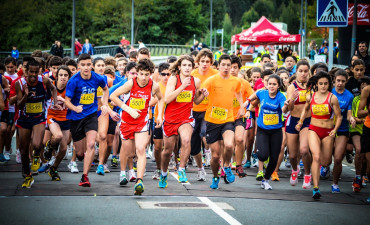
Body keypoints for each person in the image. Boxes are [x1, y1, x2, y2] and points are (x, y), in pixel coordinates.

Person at [110, 59, 164, 195]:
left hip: (142, 122)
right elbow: (113, 96)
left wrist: (160, 115)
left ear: (151, 74)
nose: (144, 77)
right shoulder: (131, 83)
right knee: (130, 153)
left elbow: (161, 98)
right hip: (127, 122)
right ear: (137, 73)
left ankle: (139, 181)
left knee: (141, 149)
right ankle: (124, 172)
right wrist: (128, 109)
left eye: (147, 74)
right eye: (141, 74)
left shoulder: (154, 86)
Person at [159, 55, 207, 188]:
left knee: (186, 140)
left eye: (189, 65)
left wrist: (203, 95)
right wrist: (182, 87)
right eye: (184, 65)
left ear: (192, 68)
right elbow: (167, 99)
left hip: (186, 118)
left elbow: (196, 101)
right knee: (167, 151)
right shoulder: (173, 79)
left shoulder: (196, 81)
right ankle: (163, 174)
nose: (187, 68)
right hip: (170, 119)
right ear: (179, 67)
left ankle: (181, 170)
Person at [64, 53, 109, 187]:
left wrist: (105, 104)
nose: (86, 67)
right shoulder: (73, 81)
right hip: (76, 117)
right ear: (78, 66)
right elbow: (67, 101)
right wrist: (75, 108)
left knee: (90, 145)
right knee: (79, 154)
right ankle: (81, 157)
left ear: (92, 66)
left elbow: (106, 89)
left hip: (91, 115)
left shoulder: (97, 78)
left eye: (88, 65)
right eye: (83, 65)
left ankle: (85, 177)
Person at [296, 71, 342, 200]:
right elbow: (305, 109)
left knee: (326, 161)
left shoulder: (332, 98)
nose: (323, 86)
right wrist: (300, 122)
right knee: (315, 156)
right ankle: (316, 188)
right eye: (320, 83)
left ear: (329, 84)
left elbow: (339, 117)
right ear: (316, 84)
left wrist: (335, 129)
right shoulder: (311, 96)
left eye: (325, 84)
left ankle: (324, 168)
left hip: (328, 131)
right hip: (313, 129)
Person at [202, 54, 244, 189]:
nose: (226, 68)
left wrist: (242, 107)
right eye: (223, 65)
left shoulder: (235, 81)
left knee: (229, 145)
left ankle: (226, 166)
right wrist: (203, 92)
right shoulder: (211, 80)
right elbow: (202, 91)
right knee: (214, 156)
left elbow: (238, 93)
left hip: (228, 119)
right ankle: (215, 176)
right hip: (212, 121)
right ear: (218, 66)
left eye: (228, 65)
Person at [15, 59, 59, 188]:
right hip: (24, 119)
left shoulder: (44, 81)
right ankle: (28, 176)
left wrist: (55, 103)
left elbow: (54, 89)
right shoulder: (20, 84)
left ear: (39, 71)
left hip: (39, 117)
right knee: (23, 150)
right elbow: (19, 104)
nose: (33, 75)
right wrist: (26, 96)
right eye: (31, 72)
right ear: (26, 71)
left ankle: (36, 155)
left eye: (36, 72)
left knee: (36, 144)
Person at [245, 75, 288, 190]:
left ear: (278, 85)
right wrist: (247, 103)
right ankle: (259, 156)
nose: (272, 86)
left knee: (274, 158)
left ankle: (266, 179)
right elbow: (254, 95)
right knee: (263, 155)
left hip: (276, 131)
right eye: (270, 84)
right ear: (266, 84)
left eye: (274, 84)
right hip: (262, 130)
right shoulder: (262, 93)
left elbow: (284, 109)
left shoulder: (281, 97)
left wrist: (287, 106)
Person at [326, 69, 355, 193]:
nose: (340, 83)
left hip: (342, 129)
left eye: (343, 81)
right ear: (334, 80)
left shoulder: (349, 96)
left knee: (338, 158)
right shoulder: (329, 92)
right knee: (327, 158)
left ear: (346, 81)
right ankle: (325, 165)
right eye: (338, 81)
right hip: (327, 128)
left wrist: (352, 118)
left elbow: (348, 114)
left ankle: (335, 184)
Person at [190, 49, 218, 176]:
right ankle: (201, 169)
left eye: (208, 61)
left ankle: (208, 152)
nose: (205, 64)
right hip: (195, 110)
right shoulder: (192, 74)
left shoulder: (216, 74)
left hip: (210, 110)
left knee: (204, 132)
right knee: (194, 144)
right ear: (198, 62)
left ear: (211, 62)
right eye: (202, 61)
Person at [43, 66, 73, 181]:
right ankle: (50, 147)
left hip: (66, 119)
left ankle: (54, 168)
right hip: (53, 117)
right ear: (56, 76)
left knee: (64, 149)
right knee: (58, 136)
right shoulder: (51, 85)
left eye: (66, 75)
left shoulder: (71, 88)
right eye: (61, 75)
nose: (63, 78)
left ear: (69, 77)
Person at [285, 60, 312, 189]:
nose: (303, 74)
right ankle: (295, 170)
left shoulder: (312, 86)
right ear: (296, 72)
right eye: (300, 71)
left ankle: (307, 174)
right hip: (293, 120)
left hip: (307, 121)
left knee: (304, 150)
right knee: (292, 155)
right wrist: (292, 99)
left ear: (309, 72)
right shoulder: (292, 87)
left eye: (305, 71)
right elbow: (289, 108)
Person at [229, 55, 253, 177]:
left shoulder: (244, 83)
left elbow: (254, 98)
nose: (232, 70)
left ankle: (238, 166)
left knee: (239, 139)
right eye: (230, 67)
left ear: (239, 68)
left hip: (239, 116)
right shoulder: (220, 82)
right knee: (227, 144)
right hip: (224, 117)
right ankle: (225, 165)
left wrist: (247, 108)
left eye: (235, 67)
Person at [350, 77, 370, 192]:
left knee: (365, 160)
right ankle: (358, 177)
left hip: (364, 128)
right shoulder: (356, 99)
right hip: (358, 129)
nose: (364, 87)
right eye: (362, 85)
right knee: (359, 150)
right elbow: (356, 115)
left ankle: (362, 175)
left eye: (365, 84)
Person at [151, 63, 170, 180]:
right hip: (158, 118)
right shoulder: (155, 86)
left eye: (168, 74)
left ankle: (171, 165)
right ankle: (158, 168)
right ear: (159, 75)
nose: (166, 77)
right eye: (163, 74)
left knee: (169, 146)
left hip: (171, 119)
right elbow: (149, 101)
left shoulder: (173, 86)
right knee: (158, 147)